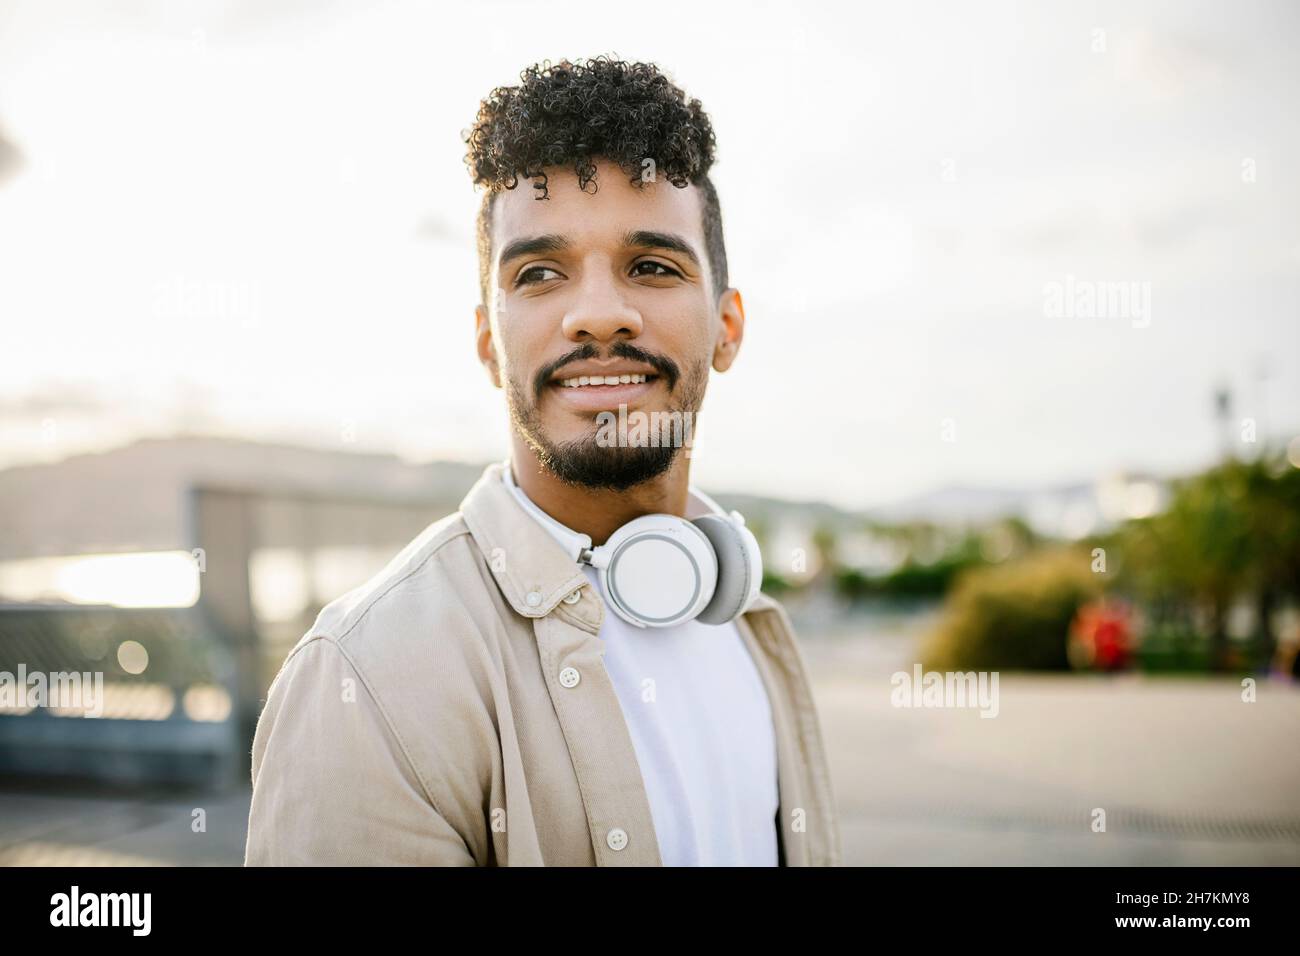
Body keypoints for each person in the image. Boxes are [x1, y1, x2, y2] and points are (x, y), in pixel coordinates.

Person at [245, 56, 840, 866]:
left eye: (653, 266)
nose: (598, 314)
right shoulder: (369, 683)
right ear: (490, 341)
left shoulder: (751, 630)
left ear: (727, 326)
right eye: (540, 274)